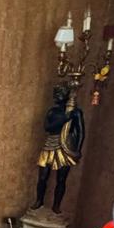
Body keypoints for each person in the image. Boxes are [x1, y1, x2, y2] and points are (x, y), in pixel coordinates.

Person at [33, 84, 85, 213]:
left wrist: (78, 149)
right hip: (50, 144)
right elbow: (47, 127)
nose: (57, 95)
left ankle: (56, 205)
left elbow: (81, 132)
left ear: (67, 94)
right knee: (42, 177)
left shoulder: (75, 112)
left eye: (60, 93)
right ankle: (39, 201)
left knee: (61, 179)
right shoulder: (53, 111)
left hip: (65, 146)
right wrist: (64, 119)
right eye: (55, 93)